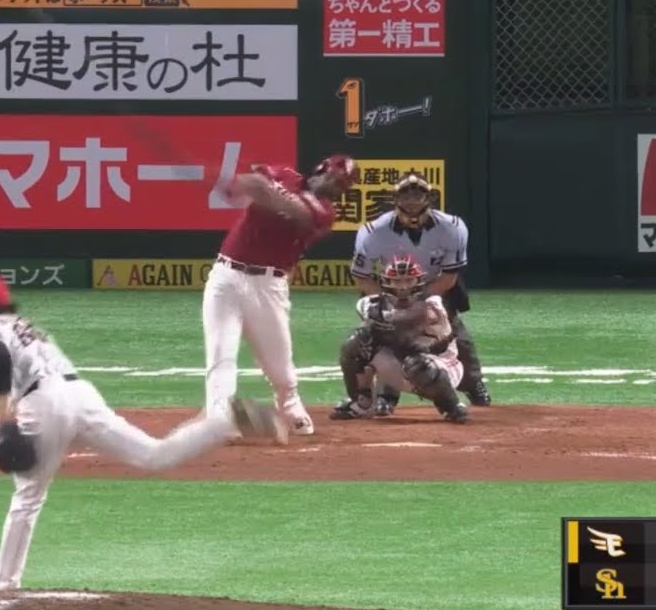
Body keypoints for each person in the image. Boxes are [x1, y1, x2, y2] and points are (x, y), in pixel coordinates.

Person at [0, 274, 285, 591]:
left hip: (44, 404)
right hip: (82, 395)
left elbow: (0, 357)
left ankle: (4, 586)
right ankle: (223, 422)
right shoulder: (25, 325)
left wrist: (4, 420)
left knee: (28, 496)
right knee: (152, 455)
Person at [202, 154, 359, 437]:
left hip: (269, 286)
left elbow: (291, 209)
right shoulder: (285, 175)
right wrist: (242, 185)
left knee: (280, 368)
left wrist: (265, 191)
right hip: (226, 276)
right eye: (334, 178)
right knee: (221, 353)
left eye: (342, 185)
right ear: (321, 169)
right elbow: (250, 183)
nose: (335, 187)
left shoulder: (324, 213)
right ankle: (218, 416)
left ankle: (290, 407)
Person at [332, 171, 491, 418]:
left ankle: (469, 384)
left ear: (430, 198)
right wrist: (389, 302)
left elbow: (449, 277)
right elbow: (362, 277)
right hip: (390, 289)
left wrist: (418, 305)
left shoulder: (453, 227)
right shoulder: (373, 232)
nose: (412, 201)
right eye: (406, 195)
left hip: (435, 285)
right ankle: (375, 397)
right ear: (395, 199)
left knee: (452, 333)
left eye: (418, 194)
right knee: (365, 340)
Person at [330, 255, 470, 423]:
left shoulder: (433, 304)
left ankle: (451, 405)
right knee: (356, 343)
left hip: (441, 367)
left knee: (418, 364)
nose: (403, 287)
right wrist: (374, 328)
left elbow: (422, 335)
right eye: (397, 281)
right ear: (386, 282)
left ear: (418, 281)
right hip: (400, 366)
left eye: (409, 280)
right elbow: (369, 325)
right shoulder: (372, 304)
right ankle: (362, 402)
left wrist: (387, 324)